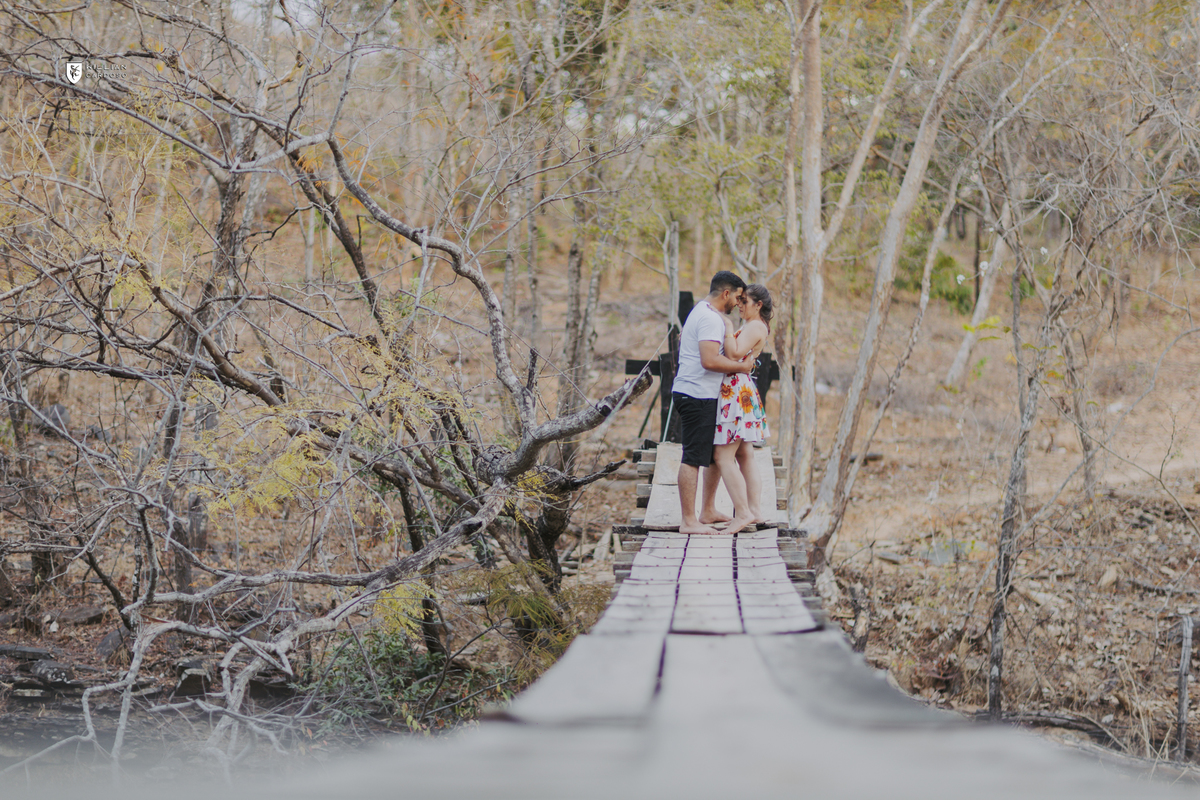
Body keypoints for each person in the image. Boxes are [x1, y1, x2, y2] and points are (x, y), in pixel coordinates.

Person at [672, 271, 754, 536]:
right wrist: (741, 366)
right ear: (726, 293)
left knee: (714, 457)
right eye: (738, 298)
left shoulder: (703, 311)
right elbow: (709, 360)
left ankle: (707, 510)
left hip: (704, 394)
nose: (739, 305)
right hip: (695, 395)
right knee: (693, 457)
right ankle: (688, 520)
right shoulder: (709, 318)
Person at [710, 283, 773, 528]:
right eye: (739, 301)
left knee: (723, 456)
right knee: (745, 454)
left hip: (736, 392)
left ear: (759, 305)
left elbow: (734, 354)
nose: (739, 306)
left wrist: (727, 327)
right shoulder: (754, 326)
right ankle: (754, 510)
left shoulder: (755, 326)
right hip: (740, 388)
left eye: (744, 301)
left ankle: (744, 513)